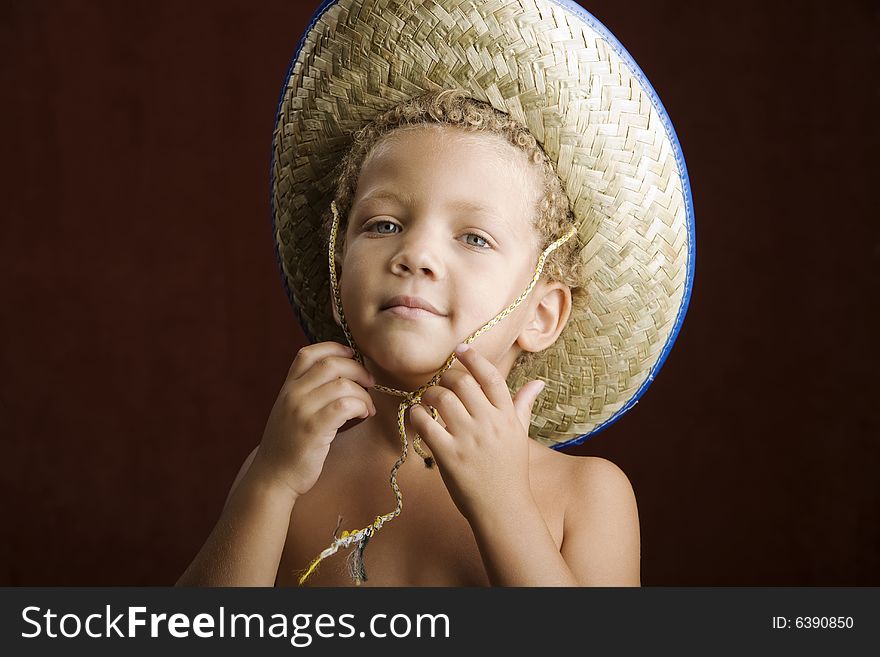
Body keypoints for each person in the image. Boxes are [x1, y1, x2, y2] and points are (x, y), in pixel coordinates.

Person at [177, 0, 693, 587]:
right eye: (383, 224)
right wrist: (267, 484)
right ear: (337, 266)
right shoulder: (293, 471)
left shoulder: (586, 495)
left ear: (543, 312)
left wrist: (503, 506)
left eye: (473, 237)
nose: (414, 255)